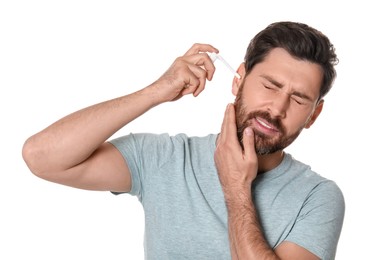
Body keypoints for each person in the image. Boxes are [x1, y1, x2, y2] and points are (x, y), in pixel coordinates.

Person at [22, 21, 345, 260]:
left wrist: (236, 188)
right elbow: (41, 157)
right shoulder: (167, 158)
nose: (277, 108)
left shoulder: (318, 197)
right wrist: (154, 92)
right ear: (240, 79)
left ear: (313, 115)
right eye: (270, 85)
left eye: (299, 99)